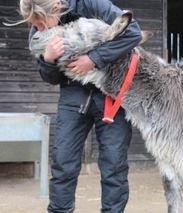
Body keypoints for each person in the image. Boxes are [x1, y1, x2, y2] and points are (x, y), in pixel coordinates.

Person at [19, 0, 141, 212]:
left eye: (40, 24)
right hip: (73, 93)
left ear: (55, 9)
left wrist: (94, 59)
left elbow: (133, 33)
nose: (36, 30)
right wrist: (48, 60)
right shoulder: (38, 25)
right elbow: (50, 78)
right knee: (63, 164)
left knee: (114, 165)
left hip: (110, 92)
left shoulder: (91, 4)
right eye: (34, 26)